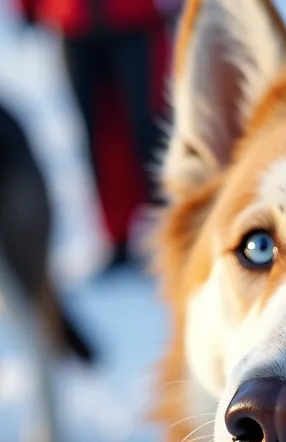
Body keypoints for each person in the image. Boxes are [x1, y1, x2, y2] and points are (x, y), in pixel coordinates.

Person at [12, 0, 178, 275]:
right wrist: (25, 7)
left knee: (152, 131)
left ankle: (173, 232)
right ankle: (117, 236)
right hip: (72, 20)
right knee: (98, 138)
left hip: (137, 17)